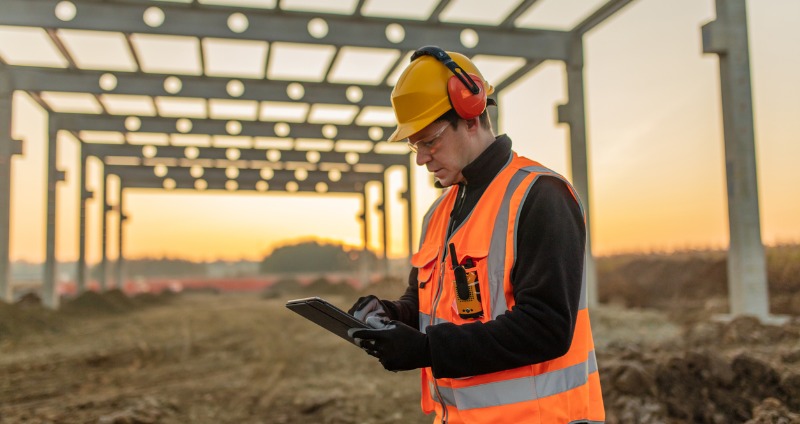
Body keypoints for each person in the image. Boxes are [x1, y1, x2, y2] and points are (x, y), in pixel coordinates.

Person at [347, 46, 604, 424]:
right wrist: (390, 316)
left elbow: (546, 327)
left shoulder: (539, 196)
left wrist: (426, 350)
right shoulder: (439, 214)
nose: (421, 158)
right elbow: (426, 304)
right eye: (414, 145)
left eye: (430, 140)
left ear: (471, 115)